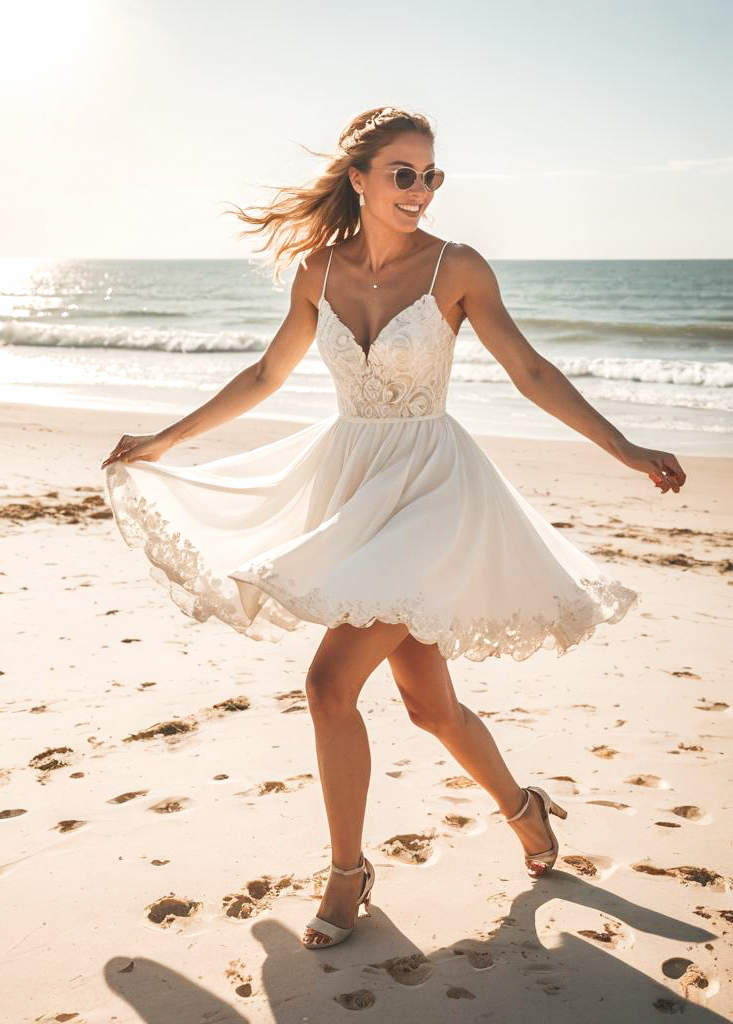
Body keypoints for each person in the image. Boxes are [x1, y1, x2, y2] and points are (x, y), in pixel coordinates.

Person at [100, 106, 686, 950]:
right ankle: (527, 811)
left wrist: (623, 446)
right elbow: (267, 372)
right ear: (362, 179)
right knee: (429, 706)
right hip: (356, 486)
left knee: (328, 684)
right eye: (404, 173)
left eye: (431, 174)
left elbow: (530, 370)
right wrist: (163, 440)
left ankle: (347, 877)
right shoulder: (317, 271)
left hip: (435, 492)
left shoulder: (458, 267)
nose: (421, 189)